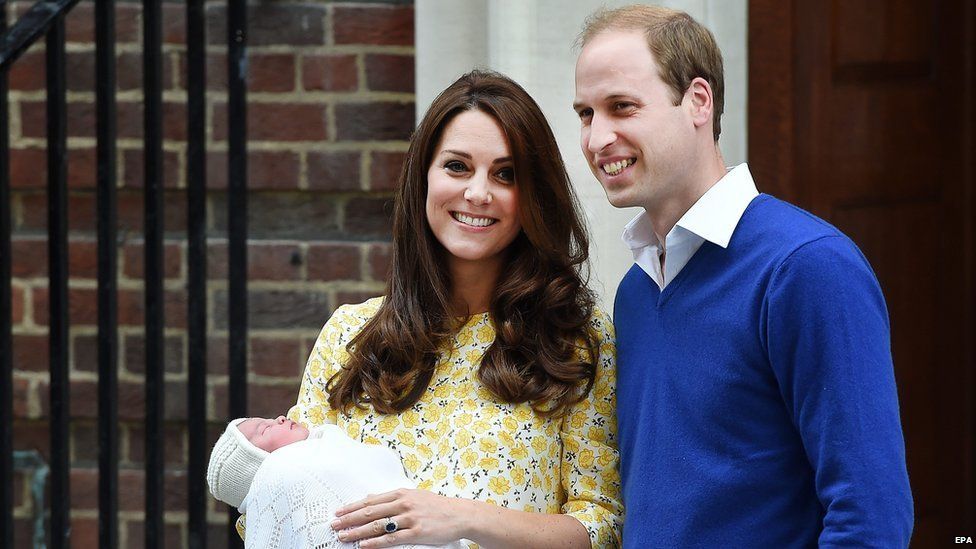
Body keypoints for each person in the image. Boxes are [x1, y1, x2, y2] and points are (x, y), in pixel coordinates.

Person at [572, 5, 913, 547]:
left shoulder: (807, 266)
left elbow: (871, 517)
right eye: (586, 114)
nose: (596, 139)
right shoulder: (637, 292)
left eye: (622, 107)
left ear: (698, 102)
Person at [284, 70, 622, 549]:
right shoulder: (349, 336)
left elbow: (602, 526)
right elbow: (286, 494)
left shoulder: (577, 344)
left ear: (534, 197)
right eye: (457, 166)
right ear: (424, 175)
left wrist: (465, 519)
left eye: (505, 174)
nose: (478, 193)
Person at [206, 416, 462, 549]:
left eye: (271, 419)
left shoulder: (331, 445)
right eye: (265, 429)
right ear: (258, 465)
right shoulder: (284, 472)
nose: (281, 418)